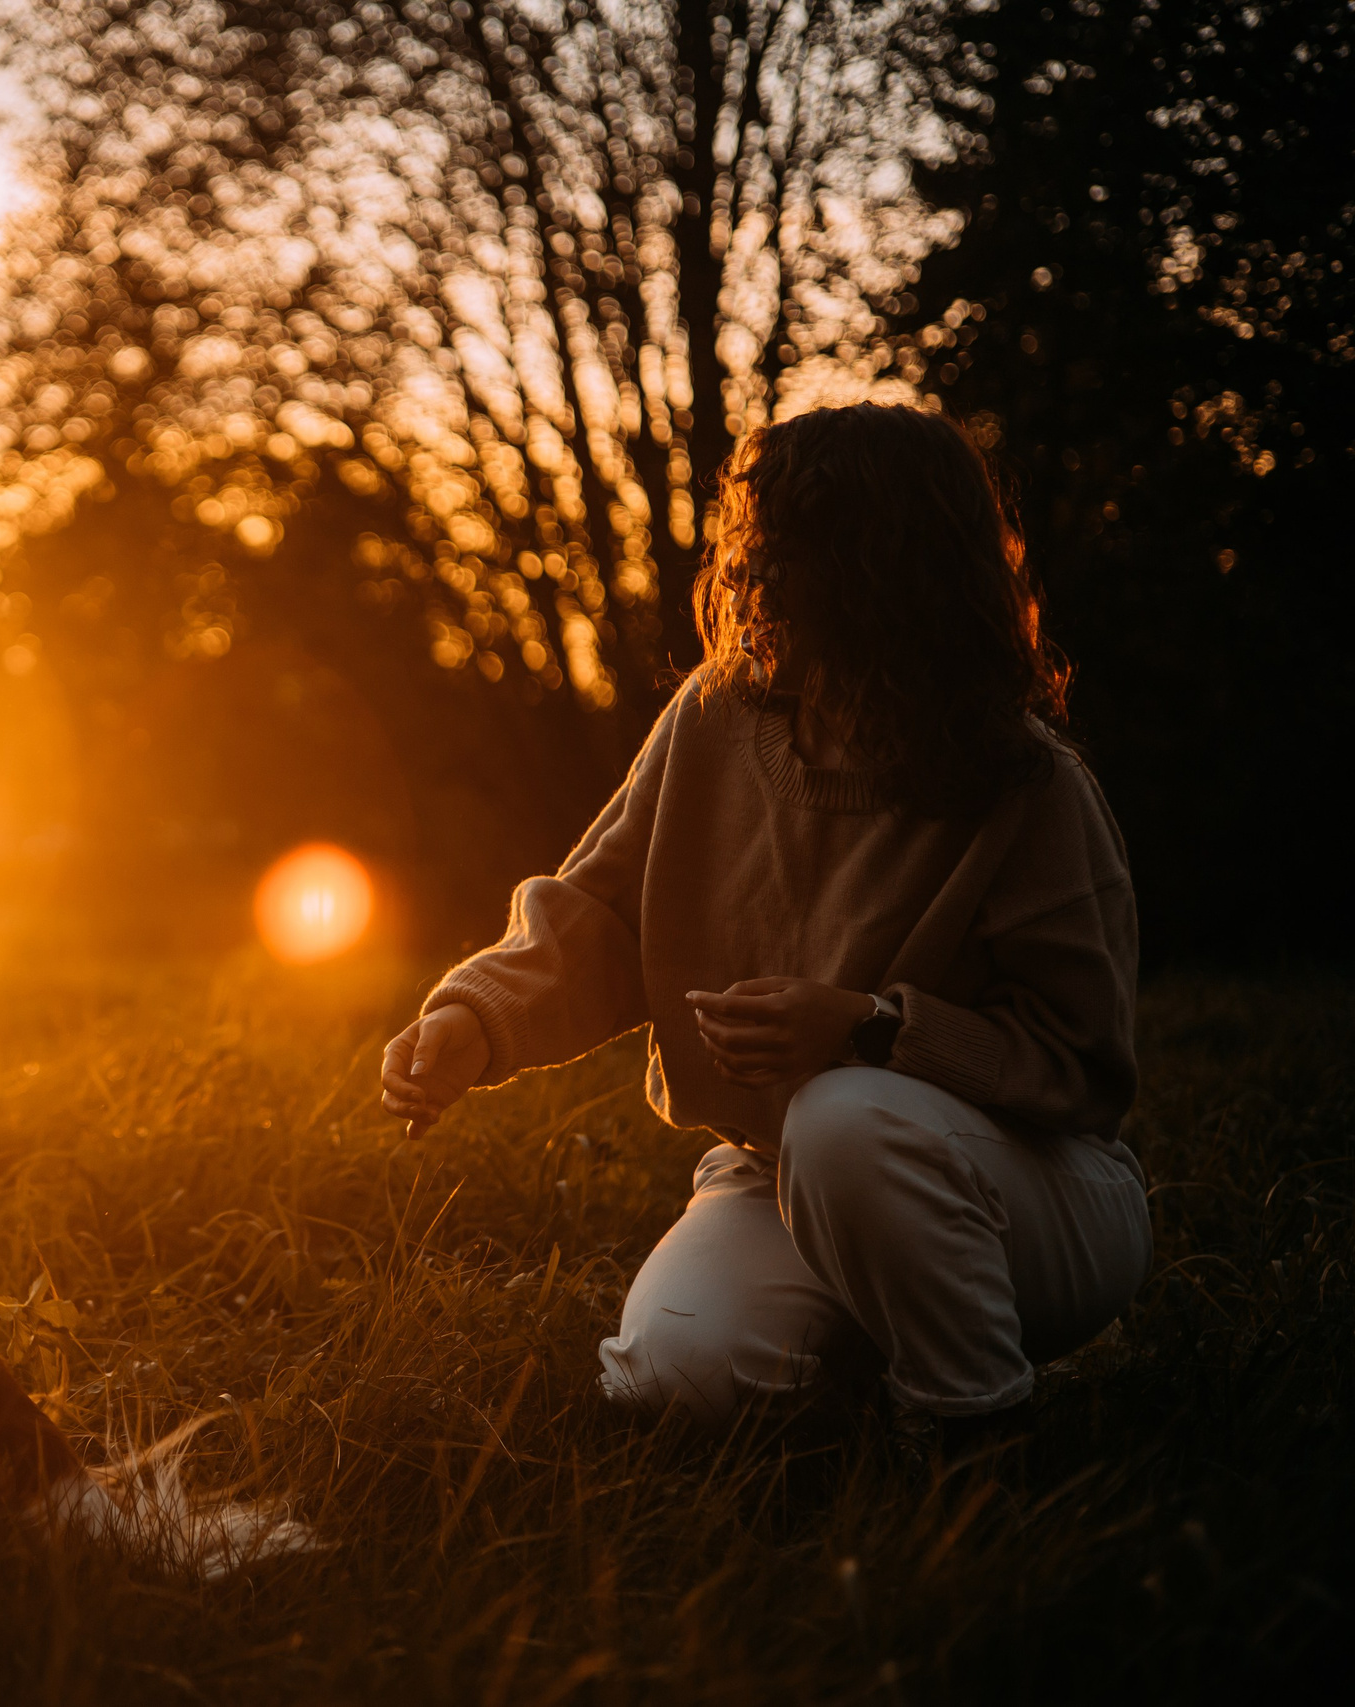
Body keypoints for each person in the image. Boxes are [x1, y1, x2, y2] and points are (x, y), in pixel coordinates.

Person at [380, 403, 1151, 1430]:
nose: (743, 574)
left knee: (843, 1115)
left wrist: (868, 1024)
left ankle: (972, 1428)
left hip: (1035, 1195)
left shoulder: (1026, 785)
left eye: (778, 545)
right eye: (747, 541)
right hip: (782, 1174)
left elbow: (1080, 1066)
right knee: (673, 1373)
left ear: (882, 568)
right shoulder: (714, 718)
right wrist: (473, 1023)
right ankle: (870, 1335)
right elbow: (604, 915)